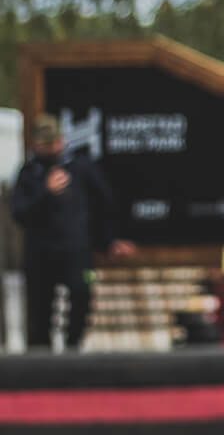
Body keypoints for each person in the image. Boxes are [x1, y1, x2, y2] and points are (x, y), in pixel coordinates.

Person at [11, 115, 135, 351]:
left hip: (77, 253)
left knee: (82, 293)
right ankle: (40, 361)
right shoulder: (28, 173)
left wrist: (109, 240)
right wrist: (46, 193)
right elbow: (19, 213)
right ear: (37, 144)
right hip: (40, 256)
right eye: (46, 144)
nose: (52, 147)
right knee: (39, 310)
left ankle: (73, 348)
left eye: (55, 142)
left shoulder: (81, 167)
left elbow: (104, 204)